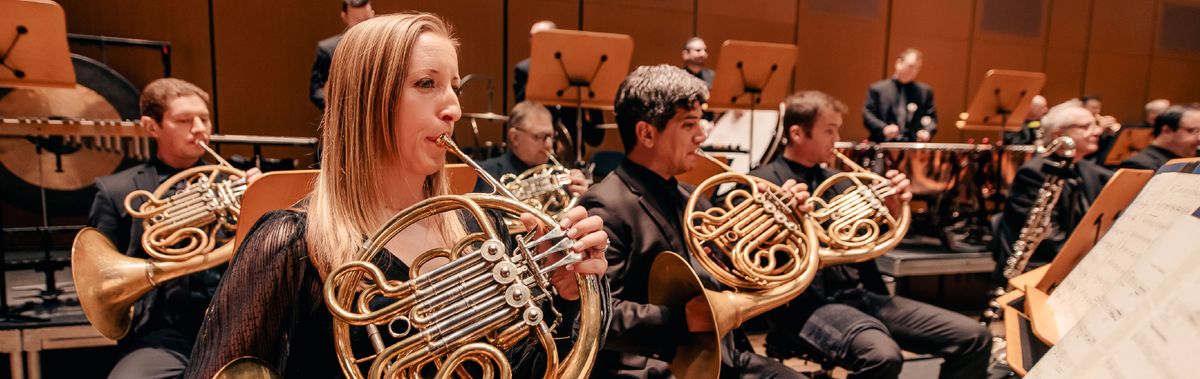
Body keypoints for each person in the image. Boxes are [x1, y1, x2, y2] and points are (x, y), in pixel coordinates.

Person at [183, 13, 610, 378]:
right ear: (368, 100)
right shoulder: (290, 243)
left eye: (455, 87)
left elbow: (523, 366)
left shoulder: (483, 229)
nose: (454, 109)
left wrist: (566, 295)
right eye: (427, 83)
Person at [580, 64, 807, 378]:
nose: (702, 135)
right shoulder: (606, 204)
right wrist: (680, 319)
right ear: (646, 133)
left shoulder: (692, 198)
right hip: (658, 364)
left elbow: (738, 272)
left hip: (722, 353)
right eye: (689, 124)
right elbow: (596, 315)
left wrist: (783, 229)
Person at [758, 90, 991, 379]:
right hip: (805, 305)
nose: (837, 138)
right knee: (883, 357)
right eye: (829, 130)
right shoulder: (762, 182)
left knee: (975, 337)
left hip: (861, 294)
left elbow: (868, 238)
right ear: (796, 133)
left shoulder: (838, 180)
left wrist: (892, 209)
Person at [90, 78, 259, 379]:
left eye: (204, 118)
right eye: (183, 120)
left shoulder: (238, 184)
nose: (198, 128)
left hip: (235, 322)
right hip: (162, 333)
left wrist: (263, 198)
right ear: (151, 126)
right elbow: (101, 270)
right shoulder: (116, 190)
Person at [994, 101, 1112, 278]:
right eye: (1085, 126)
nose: (1097, 131)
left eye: (1095, 125)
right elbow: (1047, 236)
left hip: (1075, 262)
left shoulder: (1088, 169)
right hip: (1040, 268)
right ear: (1059, 134)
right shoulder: (1034, 172)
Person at [512, 20, 605, 151]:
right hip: (538, 143)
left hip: (572, 143)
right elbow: (522, 109)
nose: (535, 41)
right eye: (532, 37)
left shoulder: (574, 68)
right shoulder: (524, 69)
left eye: (541, 37)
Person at [472, 100, 587, 197]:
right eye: (540, 136)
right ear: (515, 137)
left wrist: (581, 197)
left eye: (551, 136)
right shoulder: (485, 174)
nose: (548, 144)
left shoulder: (559, 177)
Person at [309, 0, 374, 110]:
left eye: (367, 18)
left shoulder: (384, 47)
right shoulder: (328, 49)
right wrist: (335, 109)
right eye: (357, 20)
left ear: (373, 14)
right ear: (344, 17)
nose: (363, 25)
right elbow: (316, 90)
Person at [863, 48, 937, 143]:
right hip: (882, 144)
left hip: (912, 146)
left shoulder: (924, 92)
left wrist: (927, 131)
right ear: (899, 63)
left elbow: (931, 117)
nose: (914, 71)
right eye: (911, 66)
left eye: (917, 68)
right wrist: (884, 128)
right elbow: (868, 114)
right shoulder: (878, 89)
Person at [1119, 104, 1200, 170]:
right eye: (1192, 131)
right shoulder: (1140, 165)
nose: (1199, 138)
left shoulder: (1185, 160)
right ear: (1167, 131)